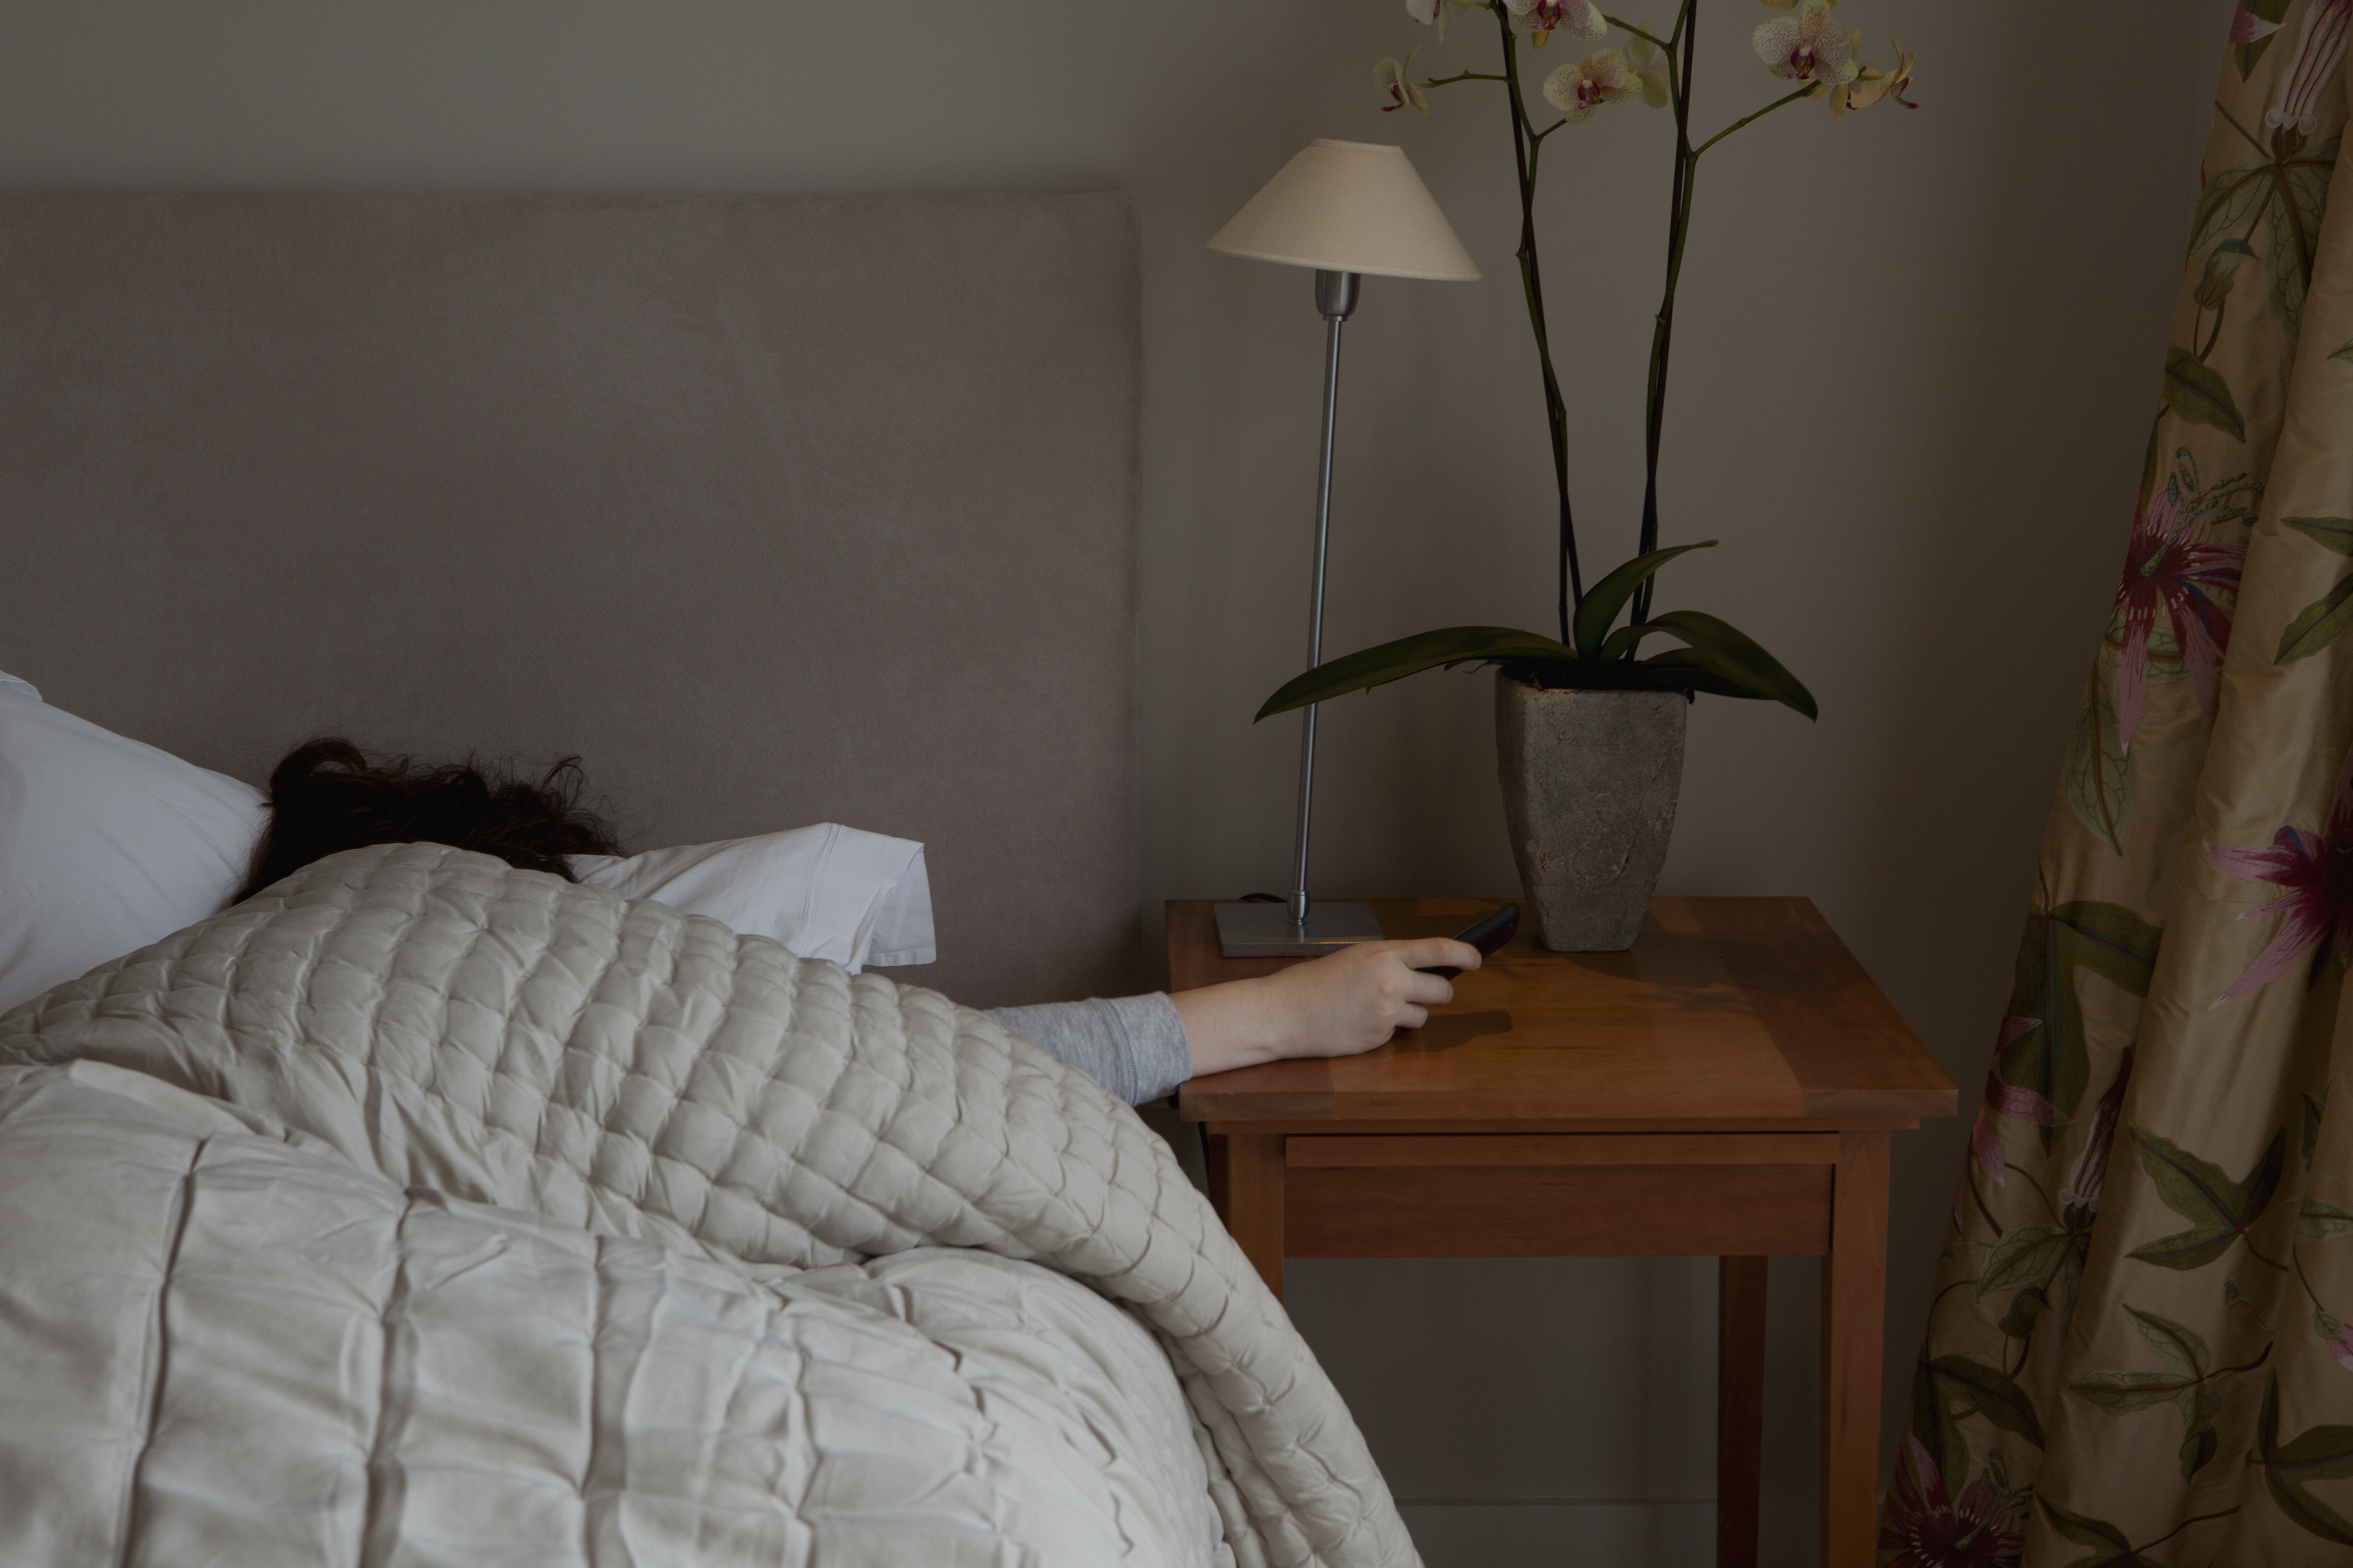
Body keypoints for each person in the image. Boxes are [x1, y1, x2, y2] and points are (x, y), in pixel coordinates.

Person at [238, 739, 1479, 1105]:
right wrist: (1271, 1018)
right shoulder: (206, 1001)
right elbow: (901, 1078)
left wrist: (1280, 1014)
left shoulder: (607, 996)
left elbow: (854, 1076)